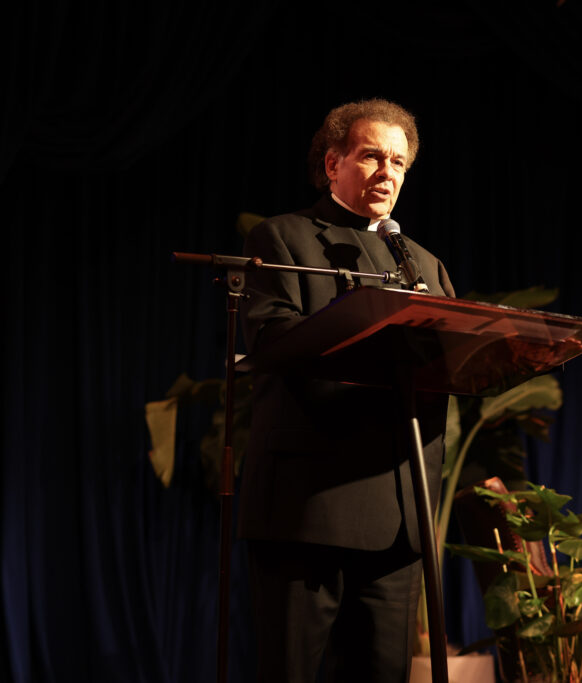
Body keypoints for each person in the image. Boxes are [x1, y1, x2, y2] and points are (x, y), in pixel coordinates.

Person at [239, 99, 456, 683]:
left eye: (399, 162)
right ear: (332, 163)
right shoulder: (283, 237)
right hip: (310, 507)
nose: (388, 172)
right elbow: (275, 340)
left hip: (399, 515)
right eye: (371, 157)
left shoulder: (425, 265)